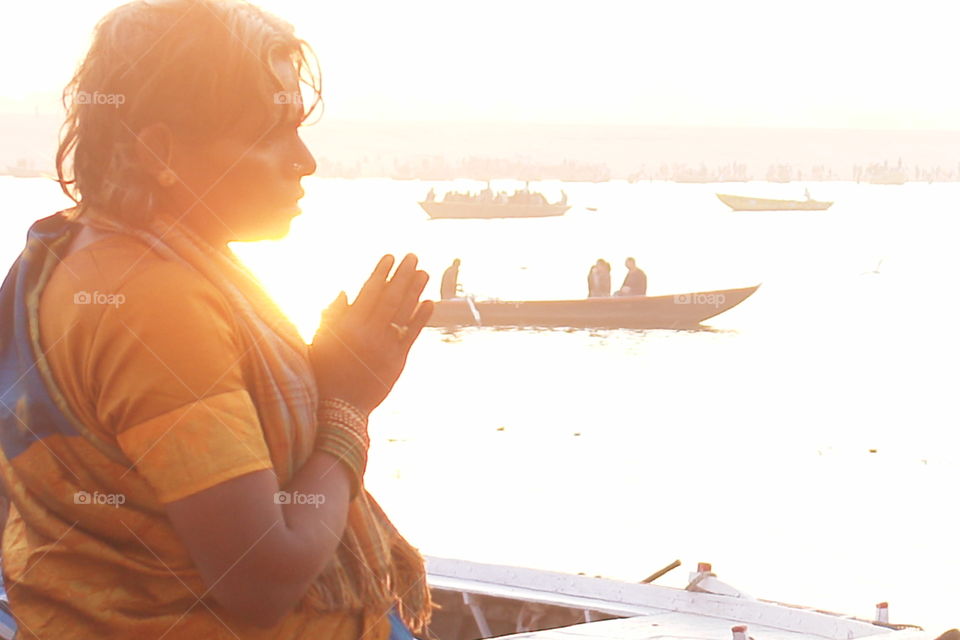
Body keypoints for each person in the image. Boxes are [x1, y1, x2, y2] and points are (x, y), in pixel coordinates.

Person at [0, 2, 433, 639]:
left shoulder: (73, 254)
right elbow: (261, 580)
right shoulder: (153, 301)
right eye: (271, 133)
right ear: (160, 150)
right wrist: (345, 405)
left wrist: (320, 378)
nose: (304, 160)